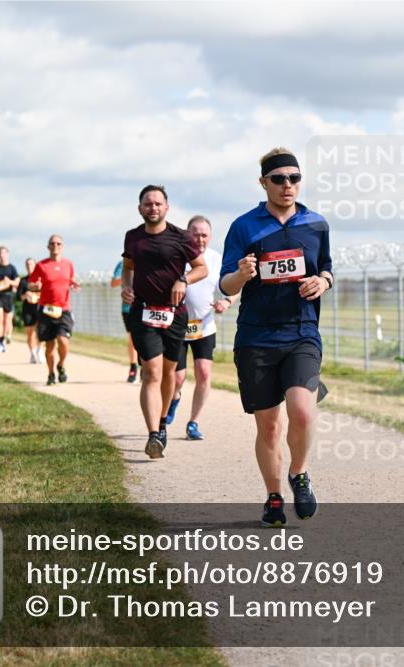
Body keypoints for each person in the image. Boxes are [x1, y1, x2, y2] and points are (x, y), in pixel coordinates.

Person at [219, 147, 332, 527]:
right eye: (280, 179)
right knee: (268, 425)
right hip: (256, 338)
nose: (288, 185)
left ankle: (299, 474)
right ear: (263, 182)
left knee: (302, 410)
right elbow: (225, 285)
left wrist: (323, 281)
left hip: (301, 333)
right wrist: (242, 273)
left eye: (295, 178)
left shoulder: (316, 224)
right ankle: (272, 498)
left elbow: (327, 269)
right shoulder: (244, 226)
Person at [119, 185, 207, 459]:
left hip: (175, 315)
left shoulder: (181, 237)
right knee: (152, 372)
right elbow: (128, 267)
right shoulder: (133, 237)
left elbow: (201, 268)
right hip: (143, 312)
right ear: (140, 208)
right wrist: (126, 286)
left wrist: (183, 279)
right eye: (148, 204)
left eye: (158, 203)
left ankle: (161, 422)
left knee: (169, 375)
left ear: (166, 207)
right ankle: (153, 435)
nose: (153, 208)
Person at [165, 215, 238, 440]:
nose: (199, 238)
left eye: (204, 234)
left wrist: (225, 302)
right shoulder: (176, 257)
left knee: (204, 374)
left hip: (204, 326)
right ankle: (174, 398)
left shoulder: (216, 259)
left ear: (211, 236)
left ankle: (193, 423)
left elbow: (234, 286)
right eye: (195, 234)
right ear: (187, 234)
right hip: (177, 326)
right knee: (177, 378)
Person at [28, 235, 80, 385]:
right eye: (52, 243)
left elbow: (69, 279)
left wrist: (73, 284)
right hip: (46, 310)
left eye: (59, 243)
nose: (55, 245)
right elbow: (31, 284)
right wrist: (35, 287)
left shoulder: (68, 264)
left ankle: (61, 365)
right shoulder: (41, 265)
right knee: (49, 345)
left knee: (63, 341)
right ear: (48, 246)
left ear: (62, 247)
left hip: (63, 309)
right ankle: (51, 373)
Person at [110, 259, 139, 382]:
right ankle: (133, 366)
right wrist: (127, 275)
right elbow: (113, 283)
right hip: (128, 308)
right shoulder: (122, 263)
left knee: (147, 337)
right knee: (133, 338)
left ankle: (145, 366)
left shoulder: (148, 258)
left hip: (146, 307)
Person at [0, 246, 19, 353]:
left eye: (4, 253)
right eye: (0, 253)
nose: (2, 255)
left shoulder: (12, 268)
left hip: (8, 296)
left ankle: (6, 337)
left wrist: (9, 282)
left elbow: (17, 282)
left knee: (7, 320)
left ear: (7, 254)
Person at [18, 257, 42, 363]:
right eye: (27, 264)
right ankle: (32, 353)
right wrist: (26, 295)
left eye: (31, 264)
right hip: (27, 309)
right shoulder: (23, 281)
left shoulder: (40, 280)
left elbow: (47, 293)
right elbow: (19, 297)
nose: (29, 266)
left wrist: (37, 294)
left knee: (41, 332)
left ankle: (39, 351)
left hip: (39, 308)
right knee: (30, 333)